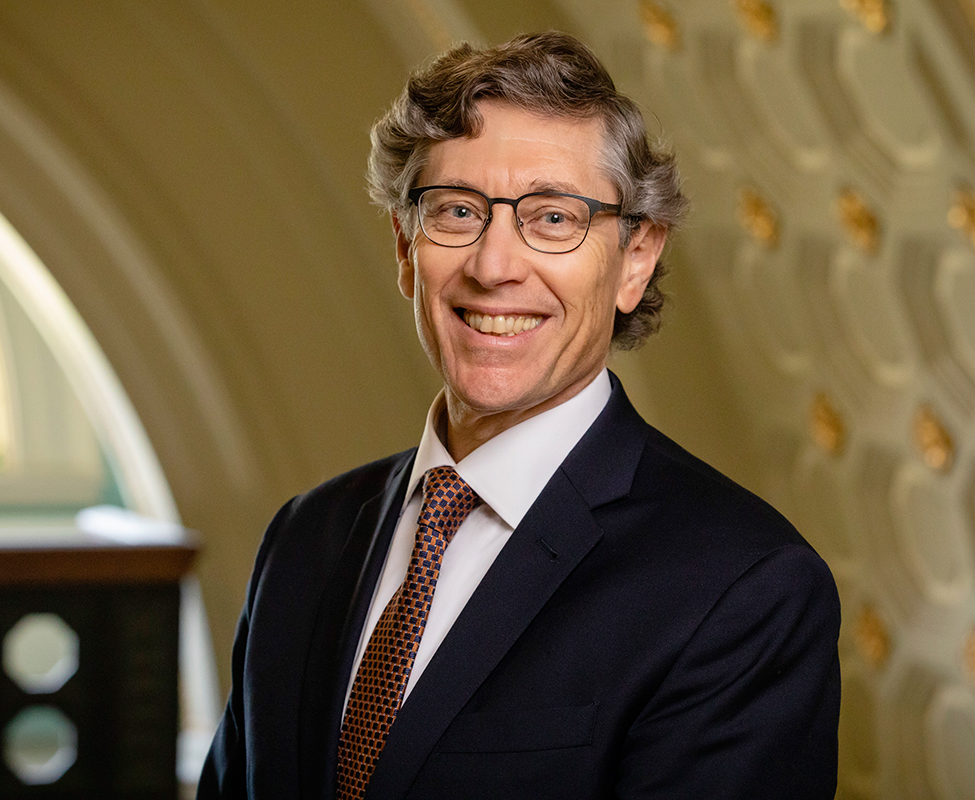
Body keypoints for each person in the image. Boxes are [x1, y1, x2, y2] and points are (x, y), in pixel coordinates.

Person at [198, 30, 840, 800]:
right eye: (456, 211)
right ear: (405, 247)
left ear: (635, 259)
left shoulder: (743, 587)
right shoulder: (303, 538)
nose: (494, 265)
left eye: (553, 218)